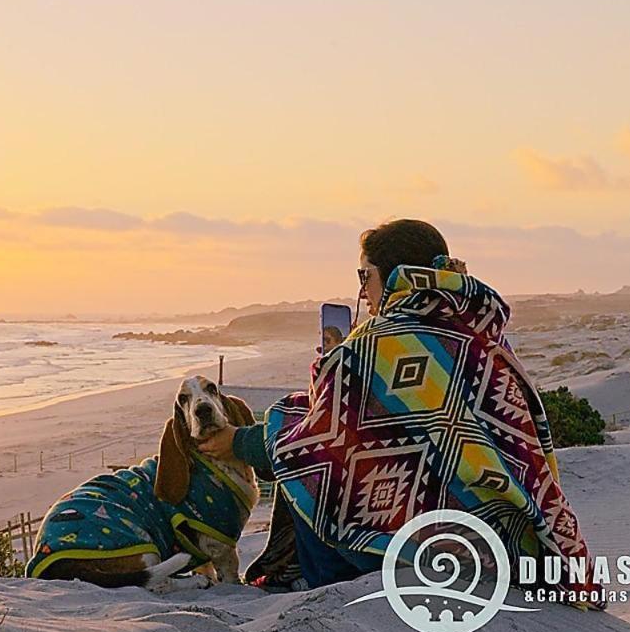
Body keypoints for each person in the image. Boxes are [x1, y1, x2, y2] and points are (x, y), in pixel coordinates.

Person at [197, 219, 603, 603]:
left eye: (365, 277)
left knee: (302, 457)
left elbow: (315, 441)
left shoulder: (377, 344)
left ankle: (320, 585)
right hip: (514, 542)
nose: (361, 292)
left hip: (430, 553)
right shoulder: (479, 331)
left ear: (395, 277)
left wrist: (240, 442)